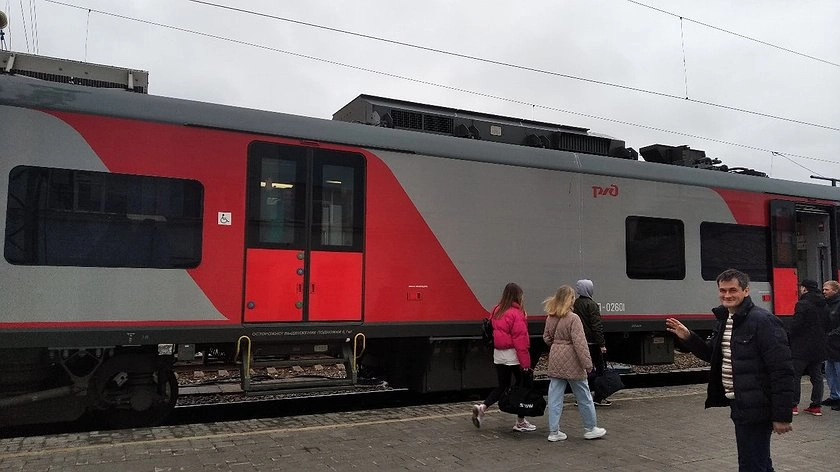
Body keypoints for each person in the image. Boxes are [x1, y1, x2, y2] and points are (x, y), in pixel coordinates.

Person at [665, 268, 794, 472]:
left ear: (746, 291)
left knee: (751, 465)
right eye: (722, 290)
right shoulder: (725, 319)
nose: (727, 295)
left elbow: (782, 370)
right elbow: (712, 355)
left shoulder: (763, 321)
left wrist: (782, 415)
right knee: (757, 462)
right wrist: (688, 336)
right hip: (739, 403)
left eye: (733, 290)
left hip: (757, 406)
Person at [543, 285, 607, 442]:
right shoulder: (573, 318)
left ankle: (554, 432)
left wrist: (558, 345)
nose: (574, 300)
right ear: (569, 299)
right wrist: (588, 364)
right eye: (572, 297)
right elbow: (580, 344)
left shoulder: (550, 317)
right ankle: (590, 428)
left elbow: (546, 338)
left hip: (556, 359)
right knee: (584, 395)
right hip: (573, 361)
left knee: (554, 397)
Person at [471, 282, 536, 432]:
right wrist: (526, 364)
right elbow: (520, 341)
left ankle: (482, 407)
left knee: (503, 385)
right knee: (522, 387)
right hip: (513, 355)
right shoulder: (516, 314)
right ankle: (520, 422)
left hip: (498, 354)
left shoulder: (496, 310)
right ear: (517, 296)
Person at [788, 279, 828, 416]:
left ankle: (793, 405)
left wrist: (789, 337)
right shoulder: (824, 303)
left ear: (804, 288)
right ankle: (816, 406)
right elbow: (828, 323)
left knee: (795, 376)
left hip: (801, 346)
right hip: (819, 346)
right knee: (817, 377)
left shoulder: (802, 304)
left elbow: (796, 325)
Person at [573, 279, 610, 406]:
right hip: (592, 342)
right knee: (599, 370)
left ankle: (581, 397)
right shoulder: (592, 305)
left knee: (582, 370)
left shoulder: (575, 303)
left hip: (580, 341)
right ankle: (598, 397)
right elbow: (596, 326)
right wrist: (602, 344)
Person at [823, 280, 840, 410]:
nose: (824, 291)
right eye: (823, 289)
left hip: (837, 344)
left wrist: (832, 334)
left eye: (827, 289)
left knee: (838, 371)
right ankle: (834, 396)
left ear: (835, 290)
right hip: (829, 345)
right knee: (830, 372)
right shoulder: (826, 304)